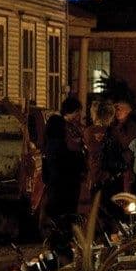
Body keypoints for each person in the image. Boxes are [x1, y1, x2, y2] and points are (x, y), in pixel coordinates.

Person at [41, 97, 86, 230]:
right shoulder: (57, 124)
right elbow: (57, 153)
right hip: (61, 178)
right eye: (77, 112)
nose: (79, 116)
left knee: (68, 209)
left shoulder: (70, 126)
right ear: (71, 111)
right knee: (61, 210)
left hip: (68, 177)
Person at [81, 100, 114, 214]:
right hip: (109, 173)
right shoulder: (112, 131)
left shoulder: (89, 131)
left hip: (94, 171)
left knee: (96, 206)